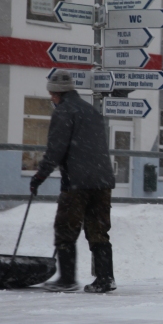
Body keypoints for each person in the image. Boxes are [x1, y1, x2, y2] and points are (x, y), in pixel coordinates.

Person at [29, 71, 117, 293]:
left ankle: (67, 279)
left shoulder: (64, 112)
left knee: (65, 229)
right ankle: (105, 279)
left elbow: (56, 149)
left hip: (77, 183)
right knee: (98, 230)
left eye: (51, 93)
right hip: (102, 181)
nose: (51, 98)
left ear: (57, 93)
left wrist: (40, 176)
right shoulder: (92, 111)